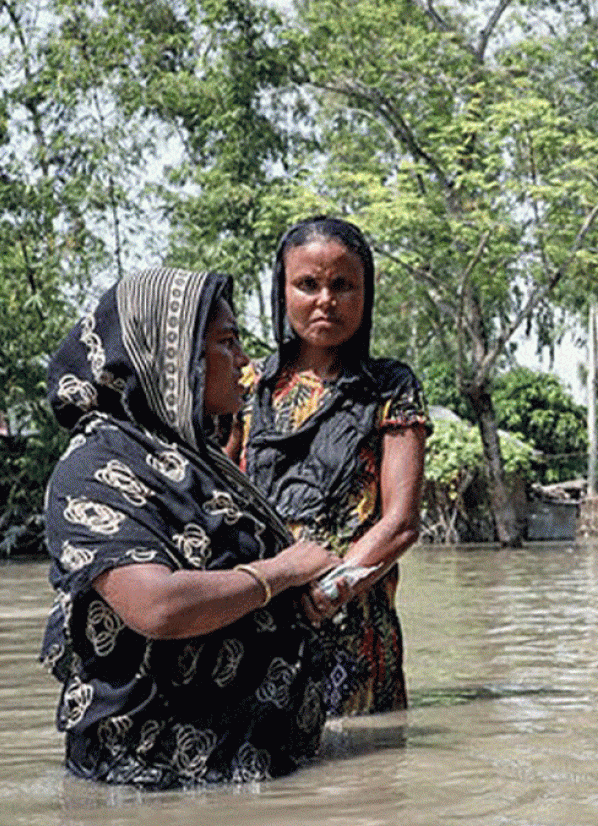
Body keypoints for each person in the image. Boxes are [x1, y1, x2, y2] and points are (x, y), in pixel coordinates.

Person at [41, 266, 342, 789]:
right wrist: (281, 571)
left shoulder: (193, 459)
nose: (246, 363)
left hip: (246, 767)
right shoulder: (92, 467)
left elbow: (229, 578)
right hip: (157, 783)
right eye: (227, 343)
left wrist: (302, 594)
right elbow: (157, 606)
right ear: (169, 356)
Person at [228, 216, 429, 716]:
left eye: (343, 286)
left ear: (366, 294)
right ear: (283, 291)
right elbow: (221, 496)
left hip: (354, 616)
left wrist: (332, 586)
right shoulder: (247, 383)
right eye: (308, 285)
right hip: (262, 611)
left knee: (364, 776)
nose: (326, 300)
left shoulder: (391, 387)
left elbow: (401, 523)